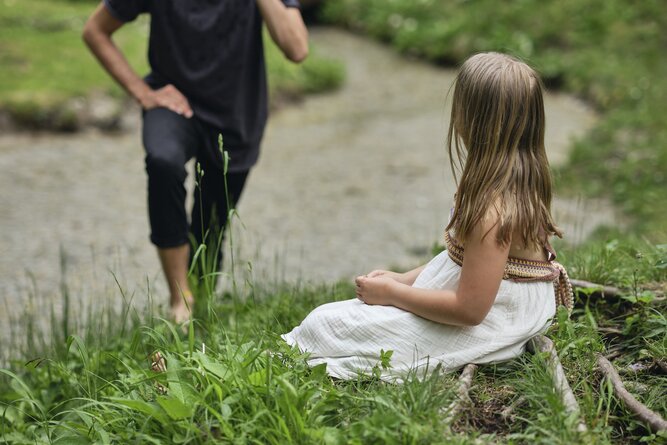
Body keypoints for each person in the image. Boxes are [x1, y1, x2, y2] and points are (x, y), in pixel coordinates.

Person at [282, 52, 574, 381]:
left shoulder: (493, 210)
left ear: (472, 121)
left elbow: (469, 310)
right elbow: (462, 262)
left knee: (327, 323)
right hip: (491, 302)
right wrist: (402, 278)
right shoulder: (510, 178)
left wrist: (393, 295)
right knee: (332, 319)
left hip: (498, 318)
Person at [82, 0, 308, 324]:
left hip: (236, 114)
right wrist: (143, 93)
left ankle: (199, 315)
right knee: (163, 161)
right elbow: (95, 30)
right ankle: (180, 299)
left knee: (211, 228)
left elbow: (296, 48)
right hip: (173, 103)